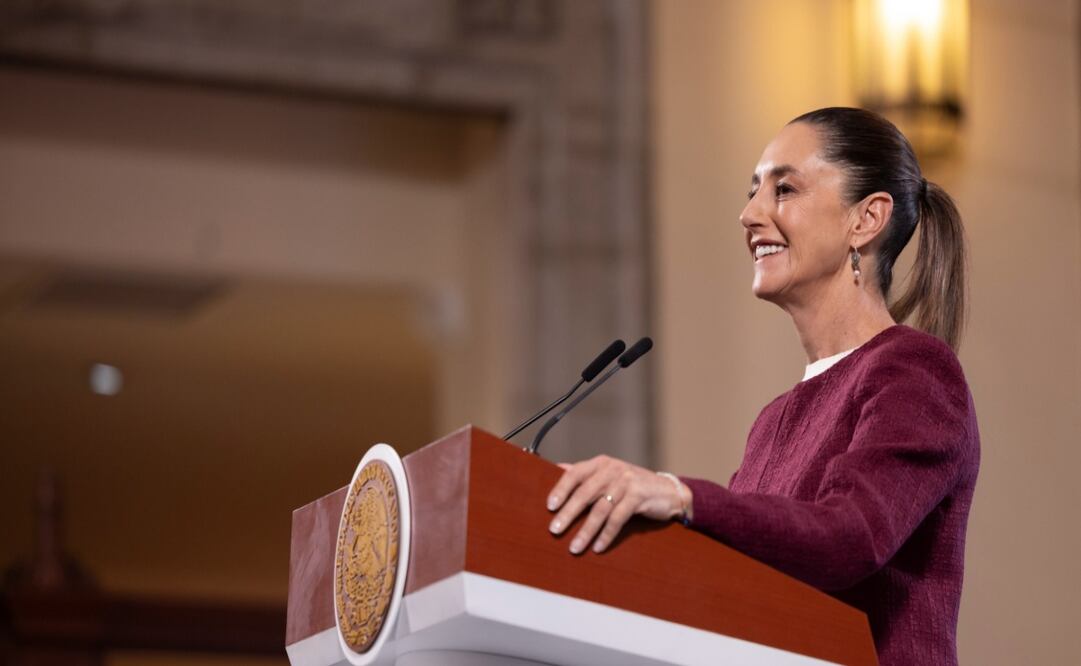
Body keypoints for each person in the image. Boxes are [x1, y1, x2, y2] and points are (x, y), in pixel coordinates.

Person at [544, 107, 979, 666]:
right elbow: (736, 575)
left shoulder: (915, 371)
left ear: (866, 220)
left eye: (784, 189)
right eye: (753, 191)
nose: (749, 214)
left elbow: (852, 536)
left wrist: (677, 495)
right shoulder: (773, 422)